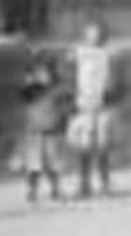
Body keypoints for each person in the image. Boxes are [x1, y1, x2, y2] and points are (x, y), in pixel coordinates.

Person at [66, 22, 121, 198]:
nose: (94, 37)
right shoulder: (80, 51)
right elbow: (68, 58)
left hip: (104, 104)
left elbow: (119, 58)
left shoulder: (108, 52)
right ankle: (84, 184)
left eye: (97, 34)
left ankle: (105, 184)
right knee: (84, 146)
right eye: (90, 34)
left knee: (103, 145)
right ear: (84, 36)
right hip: (84, 105)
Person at [13, 64, 69, 203]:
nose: (45, 77)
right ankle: (32, 190)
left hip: (51, 133)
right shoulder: (32, 92)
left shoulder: (55, 92)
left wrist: (63, 126)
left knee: (53, 165)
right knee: (34, 166)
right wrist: (30, 80)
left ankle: (55, 189)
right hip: (34, 134)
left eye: (47, 74)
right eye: (42, 74)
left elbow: (63, 107)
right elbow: (22, 93)